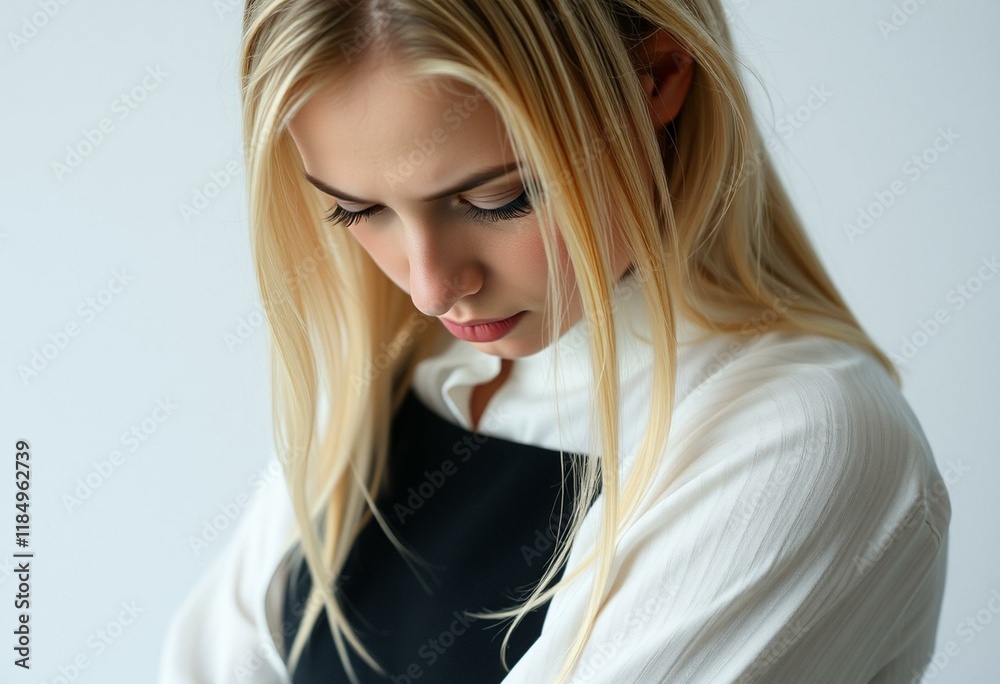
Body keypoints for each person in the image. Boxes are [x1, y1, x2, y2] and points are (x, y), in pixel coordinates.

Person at [157, 1, 951, 682]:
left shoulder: (800, 437)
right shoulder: (400, 378)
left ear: (658, 77)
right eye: (358, 211)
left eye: (500, 198)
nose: (431, 288)